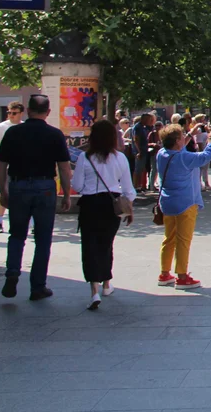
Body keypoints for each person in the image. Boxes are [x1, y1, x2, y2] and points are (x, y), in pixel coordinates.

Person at [0, 94, 72, 300]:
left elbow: (1, 165)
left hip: (19, 185)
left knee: (17, 234)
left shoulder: (13, 133)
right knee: (43, 238)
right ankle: (38, 286)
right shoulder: (54, 134)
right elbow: (64, 168)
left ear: (28, 111)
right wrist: (66, 194)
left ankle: (12, 273)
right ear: (47, 112)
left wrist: (4, 191)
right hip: (45, 186)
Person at [71, 119, 135, 310]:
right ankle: (107, 283)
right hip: (111, 203)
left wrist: (87, 188)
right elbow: (129, 189)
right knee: (106, 244)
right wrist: (129, 207)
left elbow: (77, 185)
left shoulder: (85, 157)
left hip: (90, 203)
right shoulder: (119, 158)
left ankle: (94, 289)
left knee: (89, 245)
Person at [156, 123, 211, 290]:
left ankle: (164, 273)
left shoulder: (162, 154)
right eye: (182, 136)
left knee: (169, 238)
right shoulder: (185, 158)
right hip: (186, 202)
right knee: (183, 240)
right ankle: (182, 276)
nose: (184, 138)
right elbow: (206, 156)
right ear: (176, 141)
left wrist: (190, 133)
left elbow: (178, 149)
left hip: (167, 202)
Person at [0, 101, 25, 233]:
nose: (10, 115)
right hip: (5, 166)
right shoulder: (1, 127)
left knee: (24, 194)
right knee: (3, 193)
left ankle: (30, 224)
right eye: (8, 112)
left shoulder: (25, 127)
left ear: (21, 113)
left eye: (14, 113)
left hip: (22, 166)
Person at [132, 112, 154, 192]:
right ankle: (135, 186)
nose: (149, 121)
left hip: (144, 150)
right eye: (148, 120)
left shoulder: (144, 127)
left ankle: (139, 185)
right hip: (140, 151)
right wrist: (139, 151)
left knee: (141, 169)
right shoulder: (138, 127)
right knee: (138, 169)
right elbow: (136, 140)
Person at [190, 115, 211, 190]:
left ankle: (206, 183)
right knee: (200, 168)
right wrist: (202, 152)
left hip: (205, 148)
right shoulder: (199, 130)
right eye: (203, 119)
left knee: (205, 168)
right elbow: (199, 142)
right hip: (201, 149)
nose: (204, 121)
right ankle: (199, 184)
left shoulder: (203, 129)